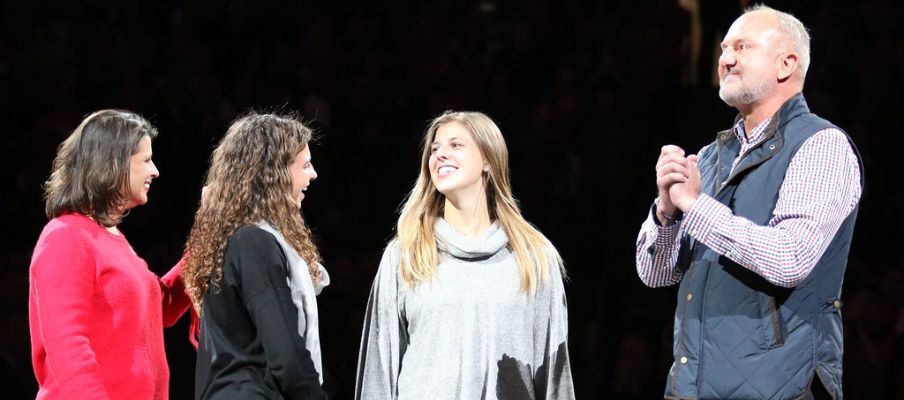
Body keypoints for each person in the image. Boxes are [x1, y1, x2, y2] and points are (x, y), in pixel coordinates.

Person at [635, 5, 863, 400]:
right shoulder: (708, 157)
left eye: (742, 46)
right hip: (691, 388)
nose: (725, 58)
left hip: (781, 389)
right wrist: (665, 211)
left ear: (786, 64)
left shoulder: (821, 146)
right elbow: (654, 275)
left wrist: (694, 206)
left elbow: (789, 259)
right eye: (723, 48)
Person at [355, 111, 574, 399]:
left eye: (455, 145)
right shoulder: (407, 253)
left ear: (487, 160)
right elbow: (379, 369)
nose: (440, 154)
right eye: (434, 149)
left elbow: (556, 373)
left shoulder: (533, 257)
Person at [28, 109, 191, 399]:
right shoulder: (66, 236)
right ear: (113, 163)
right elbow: (69, 349)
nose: (155, 171)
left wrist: (208, 247)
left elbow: (159, 308)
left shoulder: (112, 239)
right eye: (146, 160)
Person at [182, 112, 328, 400]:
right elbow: (286, 353)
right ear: (273, 173)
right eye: (305, 165)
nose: (313, 174)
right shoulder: (253, 243)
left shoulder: (242, 240)